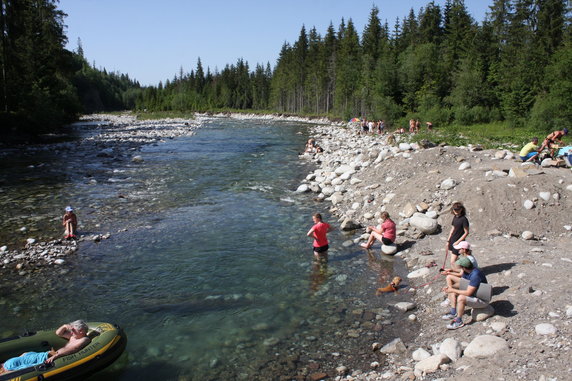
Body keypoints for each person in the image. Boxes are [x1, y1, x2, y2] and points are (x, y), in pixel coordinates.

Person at [0, 320, 91, 374]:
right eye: (71, 330)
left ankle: (5, 370)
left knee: (16, 365)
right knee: (24, 357)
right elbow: (58, 333)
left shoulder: (84, 339)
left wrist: (56, 356)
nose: (71, 331)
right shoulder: (73, 336)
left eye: (73, 330)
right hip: (49, 354)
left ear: (82, 331)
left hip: (53, 357)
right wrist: (64, 326)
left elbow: (74, 349)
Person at [441, 256, 488, 329]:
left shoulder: (475, 275)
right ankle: (453, 312)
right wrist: (450, 287)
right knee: (451, 288)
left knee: (461, 297)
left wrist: (453, 290)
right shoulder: (468, 271)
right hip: (474, 293)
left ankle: (459, 321)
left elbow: (468, 293)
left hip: (482, 299)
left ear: (463, 267)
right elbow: (463, 281)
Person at [445, 202, 469, 270]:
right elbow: (452, 229)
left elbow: (466, 232)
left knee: (452, 261)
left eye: (457, 209)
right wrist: (448, 241)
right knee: (455, 260)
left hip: (458, 243)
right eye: (454, 209)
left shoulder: (464, 219)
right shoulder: (455, 217)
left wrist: (458, 242)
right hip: (452, 240)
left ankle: (459, 274)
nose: (456, 211)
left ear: (461, 209)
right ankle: (459, 272)